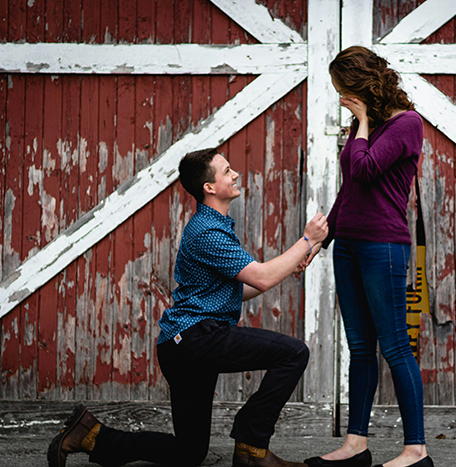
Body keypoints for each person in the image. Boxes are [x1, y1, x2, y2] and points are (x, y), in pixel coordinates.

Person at [48, 147, 328, 467]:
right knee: (294, 353)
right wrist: (306, 240)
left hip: (182, 345)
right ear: (209, 187)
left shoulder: (214, 226)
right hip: (194, 339)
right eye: (226, 171)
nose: (235, 174)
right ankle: (251, 444)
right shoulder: (208, 231)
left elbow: (242, 288)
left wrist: (288, 267)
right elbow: (261, 278)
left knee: (189, 453)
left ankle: (90, 435)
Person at [303, 46, 433, 467]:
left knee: (395, 347)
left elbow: (362, 170)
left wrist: (360, 123)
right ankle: (356, 444)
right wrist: (319, 243)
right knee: (360, 347)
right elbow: (349, 192)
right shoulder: (367, 128)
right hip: (350, 246)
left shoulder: (406, 124)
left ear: (362, 86)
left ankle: (416, 450)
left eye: (343, 89)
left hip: (384, 247)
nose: (340, 96)